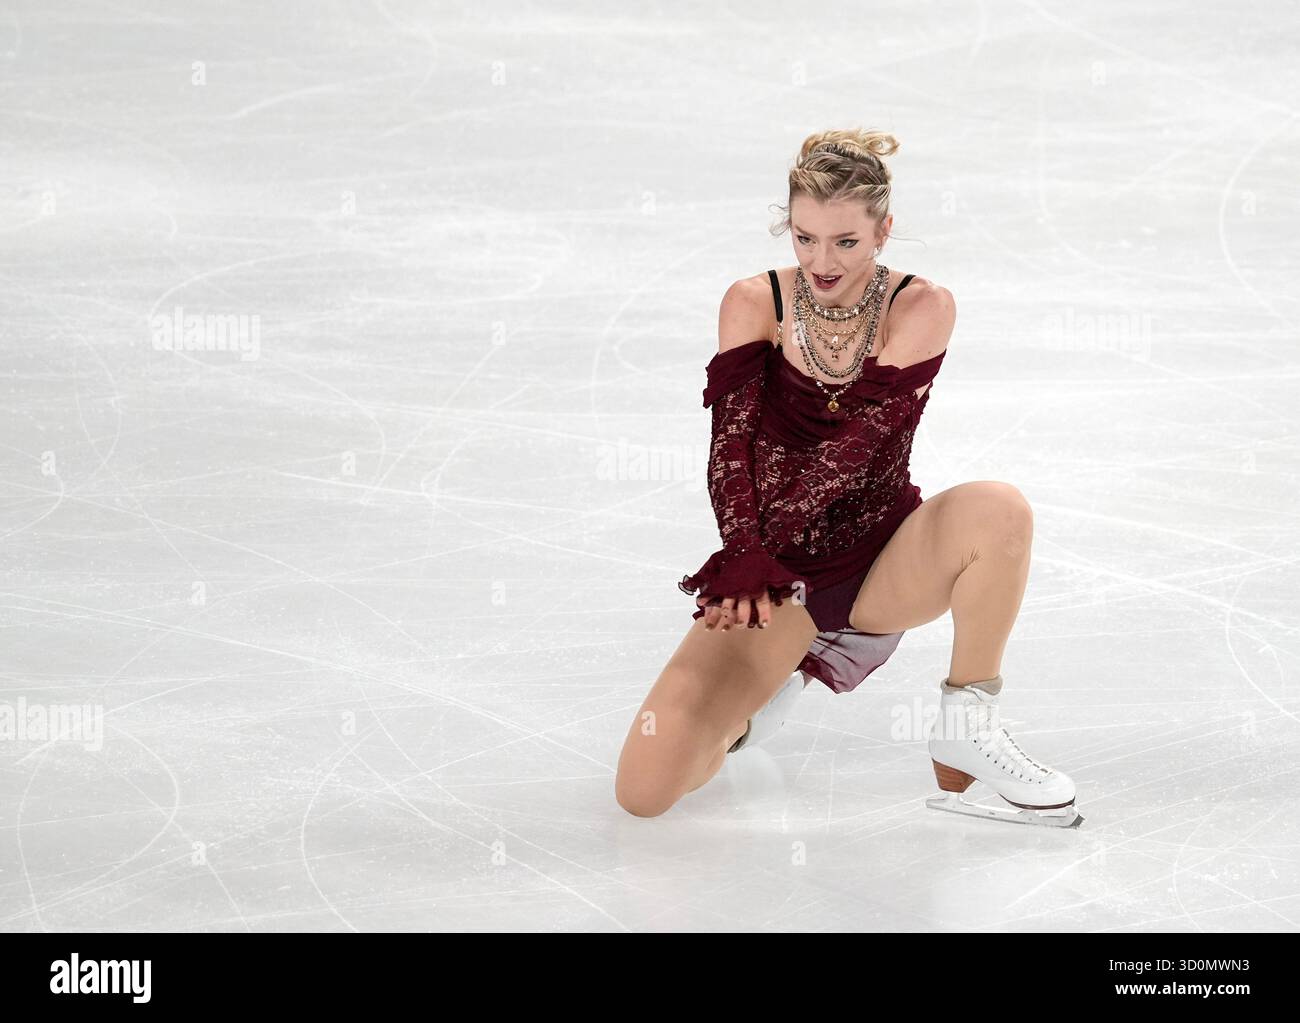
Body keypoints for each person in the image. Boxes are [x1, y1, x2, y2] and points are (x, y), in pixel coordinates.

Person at [615, 129, 1082, 828]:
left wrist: (761, 548)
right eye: (804, 238)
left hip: (880, 561)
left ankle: (968, 721)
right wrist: (747, 557)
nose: (821, 261)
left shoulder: (922, 307)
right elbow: (731, 447)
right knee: (644, 790)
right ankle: (756, 706)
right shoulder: (753, 300)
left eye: (845, 242)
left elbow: (859, 448)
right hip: (780, 574)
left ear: (884, 231)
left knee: (1000, 510)